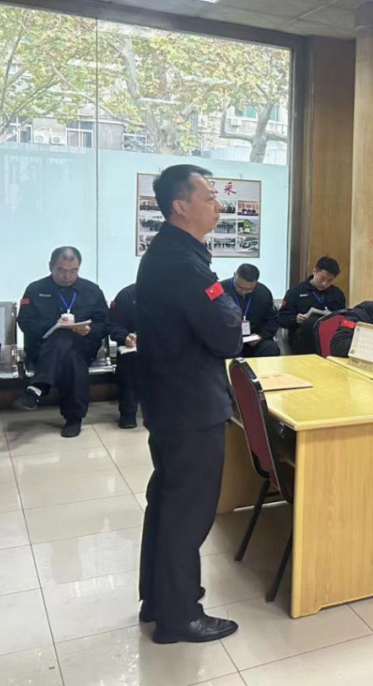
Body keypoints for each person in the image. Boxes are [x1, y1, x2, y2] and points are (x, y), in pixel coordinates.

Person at [136, 164, 241, 645]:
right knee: (187, 511)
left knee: (168, 502)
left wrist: (224, 306)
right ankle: (180, 617)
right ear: (181, 206)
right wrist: (227, 309)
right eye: (209, 197)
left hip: (174, 400)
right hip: (190, 404)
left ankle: (159, 600)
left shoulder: (175, 252)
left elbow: (220, 317)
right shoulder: (181, 261)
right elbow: (227, 333)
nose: (218, 204)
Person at [14, 247, 109, 437]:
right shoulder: (35, 289)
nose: (67, 276)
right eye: (61, 270)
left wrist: (89, 330)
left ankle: (37, 388)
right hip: (42, 349)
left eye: (73, 271)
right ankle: (74, 419)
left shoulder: (92, 290)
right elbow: (25, 321)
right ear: (51, 266)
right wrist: (54, 325)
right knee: (68, 353)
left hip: (83, 345)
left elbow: (104, 323)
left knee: (69, 345)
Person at [278, 257, 346, 355]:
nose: (324, 283)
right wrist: (295, 319)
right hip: (303, 338)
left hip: (329, 336)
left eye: (330, 280)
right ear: (315, 271)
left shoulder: (337, 294)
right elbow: (281, 319)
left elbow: (342, 317)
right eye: (322, 278)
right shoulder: (295, 292)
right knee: (310, 323)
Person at [221, 264, 280, 358]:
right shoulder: (219, 289)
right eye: (239, 287)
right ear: (235, 275)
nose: (243, 292)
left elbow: (273, 320)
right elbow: (208, 319)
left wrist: (260, 336)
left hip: (254, 340)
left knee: (270, 348)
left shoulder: (263, 292)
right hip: (227, 340)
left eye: (248, 289)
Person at [108, 283, 140, 429]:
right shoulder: (128, 295)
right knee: (130, 360)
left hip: (167, 346)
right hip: (133, 345)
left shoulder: (176, 292)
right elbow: (114, 326)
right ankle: (128, 413)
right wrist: (125, 336)